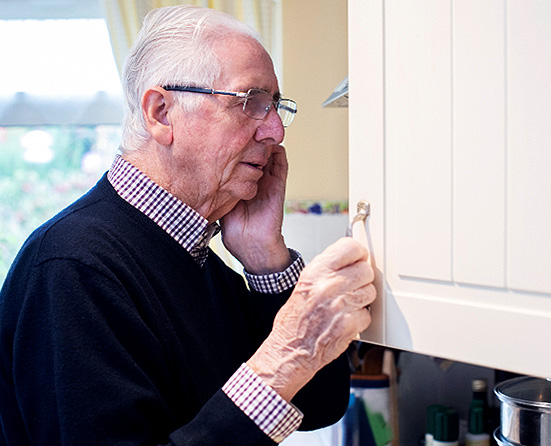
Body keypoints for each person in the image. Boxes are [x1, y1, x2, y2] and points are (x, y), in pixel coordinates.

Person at [0, 5, 376, 445]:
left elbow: (320, 404)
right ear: (161, 113)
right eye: (250, 102)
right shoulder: (73, 267)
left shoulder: (194, 255)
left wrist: (264, 256)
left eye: (275, 107)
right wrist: (285, 355)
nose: (275, 130)